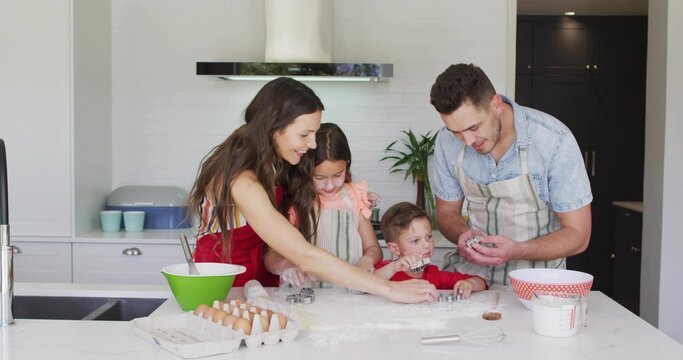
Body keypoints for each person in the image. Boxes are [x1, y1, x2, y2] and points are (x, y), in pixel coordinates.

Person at [188, 77, 436, 302]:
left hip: (260, 282)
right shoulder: (241, 181)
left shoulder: (269, 161)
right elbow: (305, 254)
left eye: (315, 134)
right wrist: (391, 290)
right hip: (223, 286)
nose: (312, 144)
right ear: (274, 128)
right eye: (305, 134)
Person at [429, 63, 592, 286]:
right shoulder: (446, 141)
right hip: (470, 280)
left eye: (473, 128)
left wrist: (518, 250)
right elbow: (446, 212)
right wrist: (462, 235)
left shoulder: (554, 140)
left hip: (538, 284)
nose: (467, 141)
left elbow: (578, 235)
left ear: (496, 104)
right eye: (456, 132)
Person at [264, 123, 383, 287]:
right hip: (304, 298)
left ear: (347, 165)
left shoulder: (355, 198)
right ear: (306, 170)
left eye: (337, 175)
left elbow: (373, 247)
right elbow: (271, 258)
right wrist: (288, 266)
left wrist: (368, 259)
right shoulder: (296, 203)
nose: (329, 185)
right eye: (319, 178)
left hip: (348, 296)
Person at [374, 202, 487, 298]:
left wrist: (469, 284)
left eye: (429, 237)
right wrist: (393, 268)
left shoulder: (433, 274)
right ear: (395, 249)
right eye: (415, 240)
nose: (426, 245)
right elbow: (365, 283)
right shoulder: (386, 271)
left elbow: (481, 282)